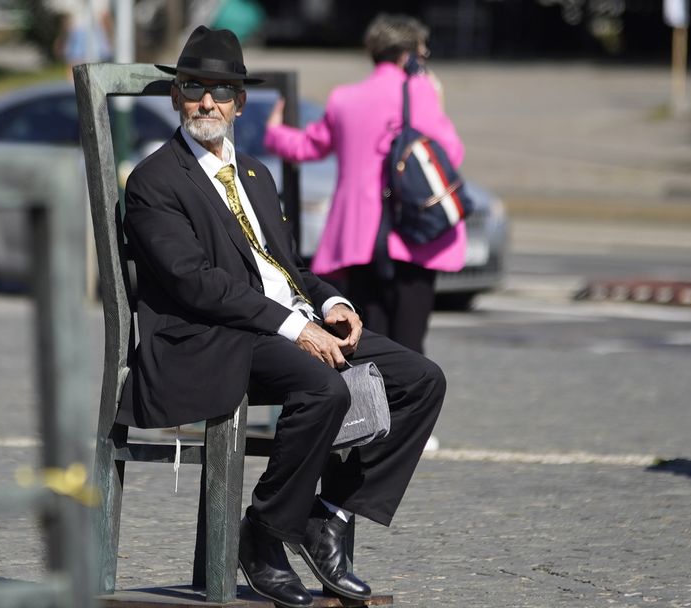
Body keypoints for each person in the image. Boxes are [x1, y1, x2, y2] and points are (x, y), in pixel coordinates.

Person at [119, 26, 445, 607]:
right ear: (175, 96)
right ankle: (265, 533)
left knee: (421, 380)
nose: (207, 102)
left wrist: (332, 303)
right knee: (323, 387)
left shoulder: (255, 174)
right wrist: (296, 327)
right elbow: (196, 283)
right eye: (194, 88)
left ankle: (328, 516)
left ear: (240, 103)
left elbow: (286, 268)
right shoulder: (154, 180)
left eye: (222, 90)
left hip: (278, 326)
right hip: (211, 337)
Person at [264, 14, 465, 357]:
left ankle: (372, 395)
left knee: (371, 344)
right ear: (409, 56)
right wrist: (438, 100)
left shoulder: (345, 98)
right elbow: (451, 155)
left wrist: (274, 131)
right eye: (423, 53)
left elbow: (309, 146)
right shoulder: (421, 93)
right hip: (412, 233)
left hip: (359, 240)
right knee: (409, 349)